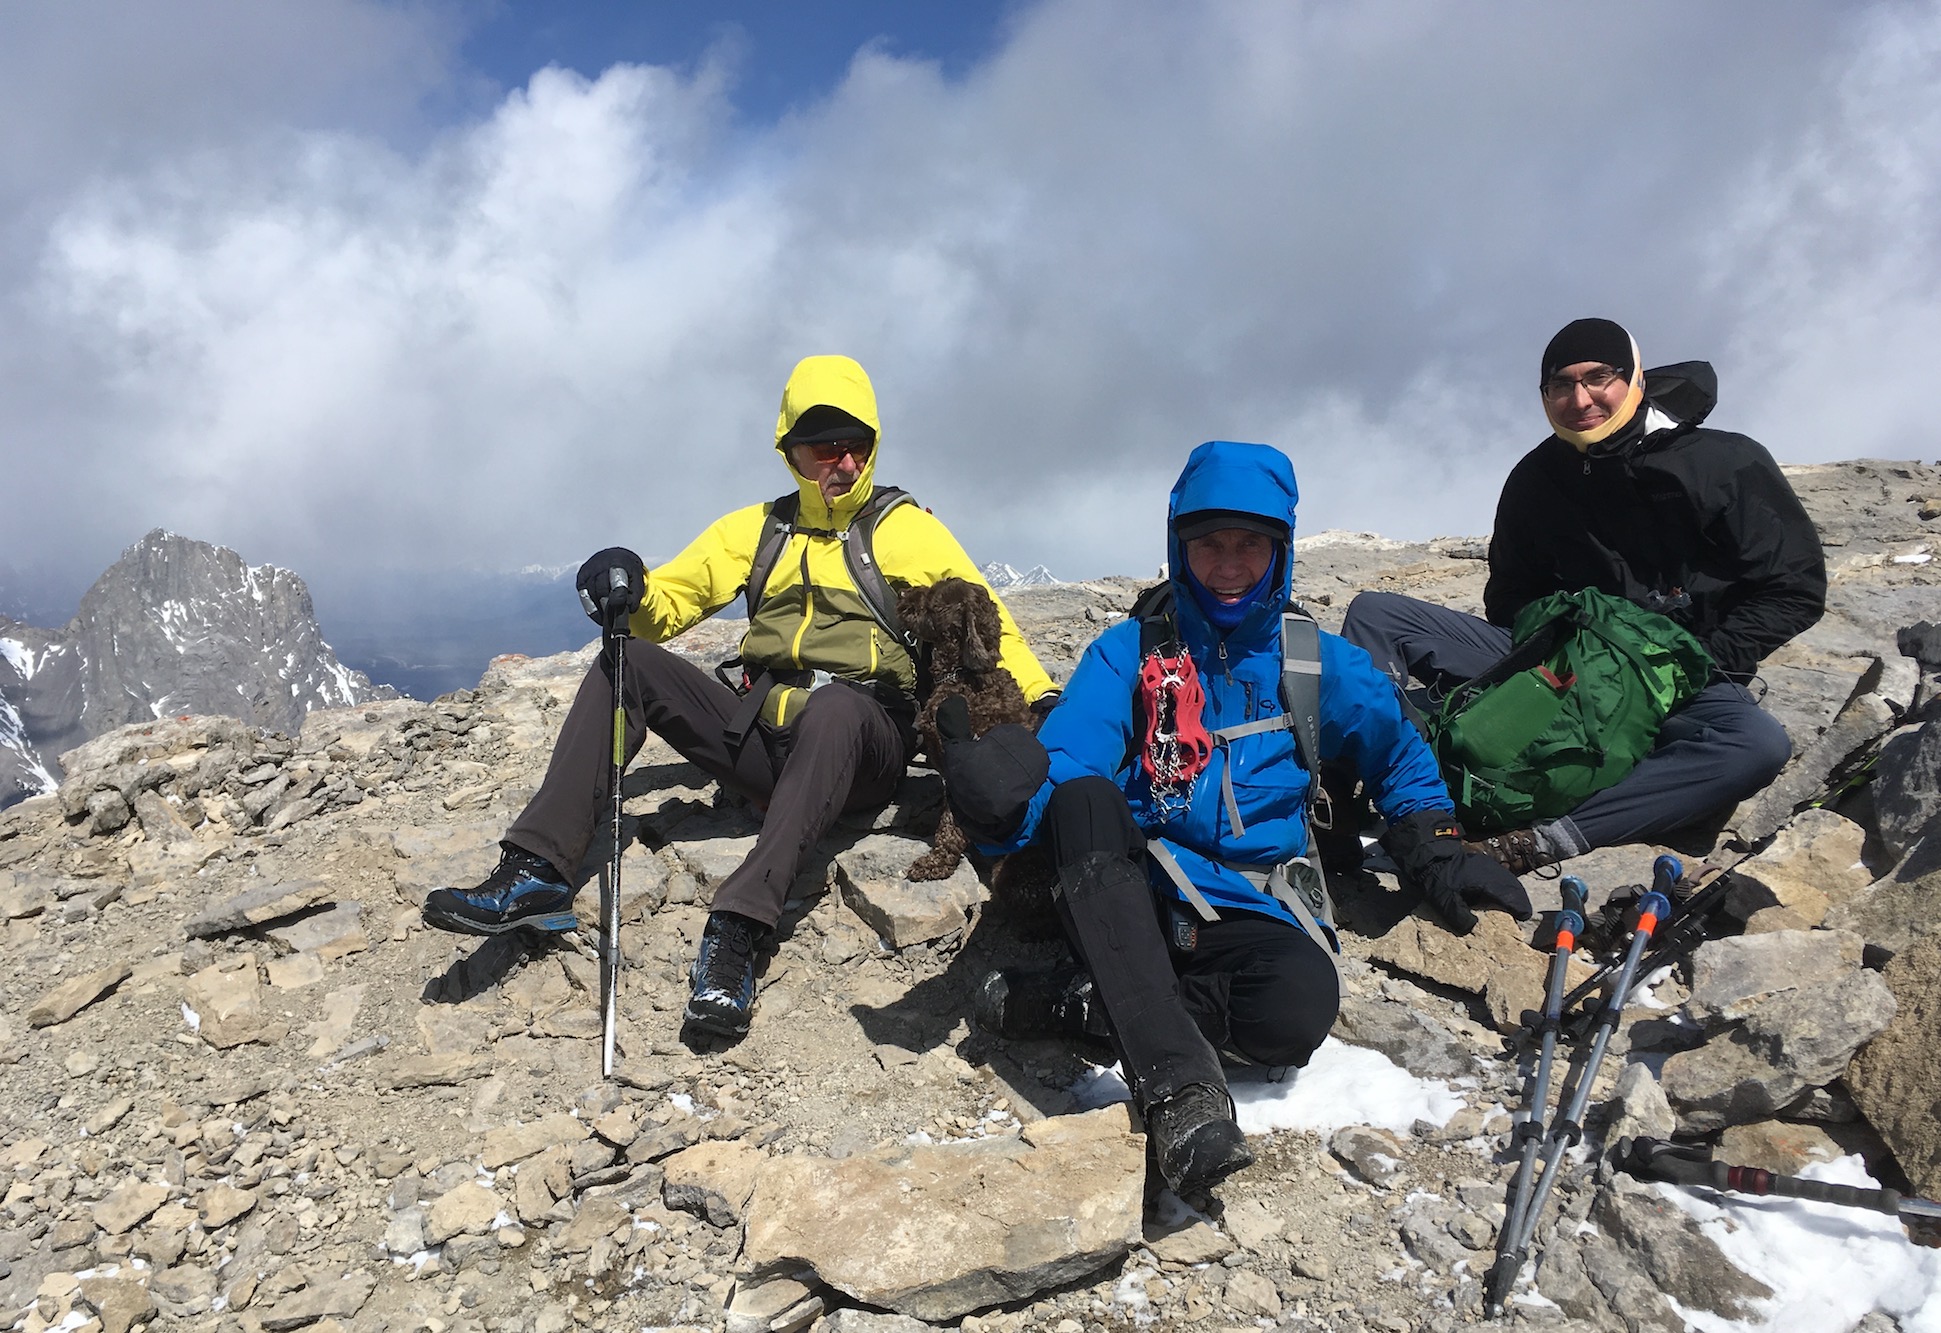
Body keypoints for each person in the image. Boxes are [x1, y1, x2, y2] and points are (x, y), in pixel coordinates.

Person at [937, 440, 1529, 1197]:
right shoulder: (1126, 656)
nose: (1226, 565)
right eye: (1207, 543)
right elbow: (1068, 767)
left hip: (1252, 897)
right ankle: (1182, 1093)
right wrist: (999, 813)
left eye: (1249, 544)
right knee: (1086, 800)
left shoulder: (1316, 664)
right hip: (1135, 886)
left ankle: (1073, 1001)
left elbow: (1398, 756)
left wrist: (1436, 848)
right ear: (1177, 545)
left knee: (1295, 1014)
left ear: (1281, 549)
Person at [424, 354, 1056, 1038]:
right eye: (824, 448)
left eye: (856, 445)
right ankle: (536, 868)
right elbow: (666, 605)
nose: (844, 463)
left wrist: (1044, 701)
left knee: (837, 707)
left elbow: (988, 621)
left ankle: (737, 929)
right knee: (625, 660)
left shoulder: (905, 529)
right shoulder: (758, 530)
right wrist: (626, 586)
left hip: (862, 741)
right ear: (791, 451)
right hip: (765, 737)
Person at [1340, 318, 1824, 874]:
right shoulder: (1535, 479)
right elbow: (1511, 596)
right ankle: (1361, 794)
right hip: (1558, 663)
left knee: (1755, 744)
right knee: (1377, 615)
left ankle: (1537, 842)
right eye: (1560, 385)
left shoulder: (1722, 461)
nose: (1580, 399)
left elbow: (1794, 588)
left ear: (1635, 378)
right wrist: (1562, 654)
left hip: (1678, 680)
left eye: (1598, 378)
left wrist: (1698, 660)